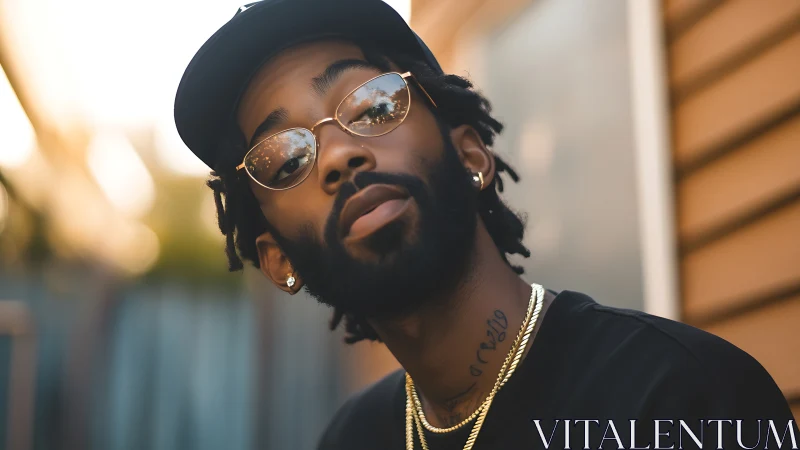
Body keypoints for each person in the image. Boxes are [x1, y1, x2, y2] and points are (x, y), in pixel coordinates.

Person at [174, 1, 798, 449]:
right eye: (286, 159)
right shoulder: (351, 438)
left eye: (372, 105)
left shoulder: (682, 398)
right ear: (279, 260)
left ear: (470, 153)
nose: (338, 155)